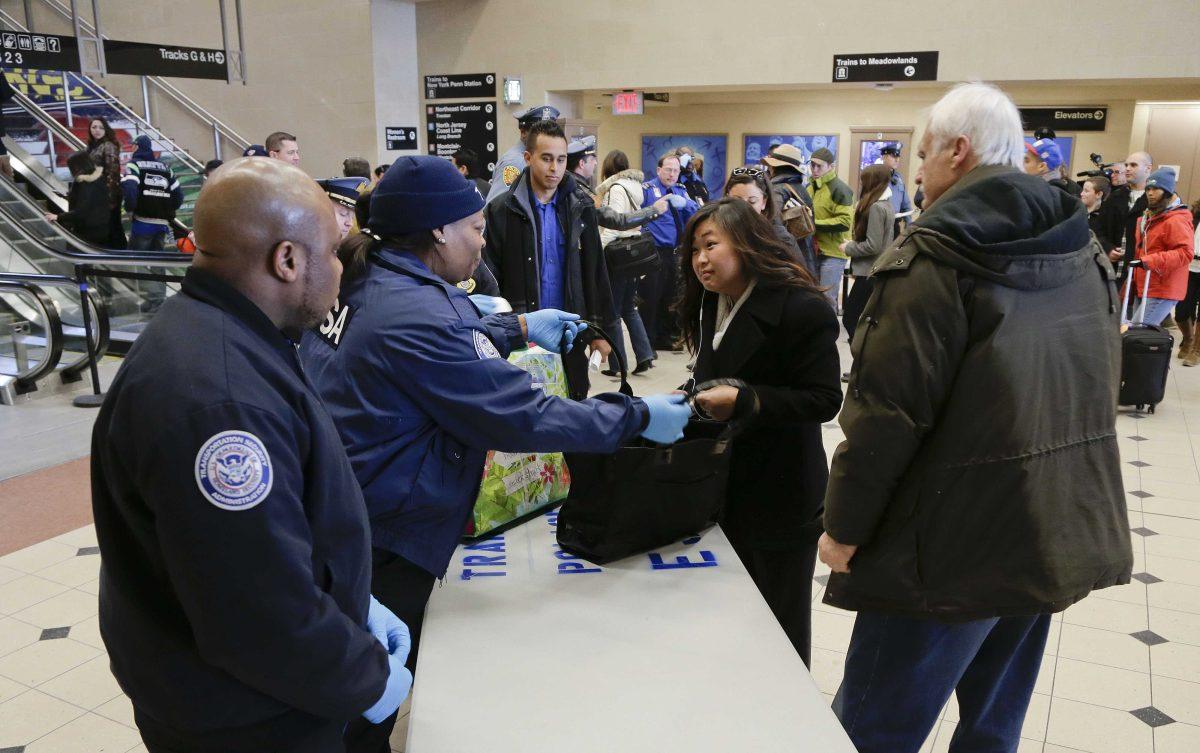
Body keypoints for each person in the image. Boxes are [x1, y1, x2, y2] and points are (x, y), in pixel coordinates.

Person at [300, 155, 691, 753]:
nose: (482, 247)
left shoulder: (366, 277)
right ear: (437, 231)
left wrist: (517, 328)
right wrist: (635, 415)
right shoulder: (417, 312)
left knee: (359, 683)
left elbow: (431, 357)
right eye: (477, 229)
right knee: (365, 704)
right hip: (388, 531)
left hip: (352, 504)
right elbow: (520, 414)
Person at [818, 82, 1131, 753]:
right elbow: (1101, 378)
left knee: (872, 730)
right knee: (993, 729)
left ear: (958, 152)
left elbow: (885, 416)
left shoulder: (933, 258)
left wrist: (843, 529)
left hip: (944, 549)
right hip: (1045, 528)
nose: (918, 174)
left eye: (923, 155)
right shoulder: (1079, 247)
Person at [91, 157, 412, 753]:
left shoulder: (230, 334)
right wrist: (365, 680)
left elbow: (250, 543)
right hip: (248, 715)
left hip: (242, 690)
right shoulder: (222, 401)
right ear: (287, 260)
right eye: (335, 253)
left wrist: (350, 599)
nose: (342, 270)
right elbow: (256, 611)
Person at [678, 197, 842, 667]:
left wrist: (747, 399)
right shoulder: (714, 300)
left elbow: (825, 399)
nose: (701, 260)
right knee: (733, 614)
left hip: (782, 491)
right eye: (694, 250)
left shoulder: (801, 308)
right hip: (727, 485)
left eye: (711, 245)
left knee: (780, 622)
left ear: (748, 244)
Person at [483, 120, 615, 399]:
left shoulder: (582, 207)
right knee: (524, 415)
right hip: (522, 332)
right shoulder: (500, 211)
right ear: (528, 158)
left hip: (570, 331)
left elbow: (595, 271)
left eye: (561, 159)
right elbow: (490, 278)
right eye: (546, 159)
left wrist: (600, 332)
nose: (554, 168)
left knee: (572, 407)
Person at [595, 149, 665, 376]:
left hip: (618, 254)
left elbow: (614, 224)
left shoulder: (615, 188)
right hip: (635, 252)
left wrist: (598, 248)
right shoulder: (636, 187)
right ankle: (644, 355)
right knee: (629, 308)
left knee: (613, 312)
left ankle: (618, 364)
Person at [639, 152, 700, 350]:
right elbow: (638, 215)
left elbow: (696, 211)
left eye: (675, 170)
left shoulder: (680, 191)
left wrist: (685, 203)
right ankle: (647, 339)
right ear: (659, 170)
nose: (672, 174)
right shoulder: (647, 189)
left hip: (674, 252)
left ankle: (664, 338)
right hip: (653, 251)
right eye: (668, 170)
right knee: (650, 297)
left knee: (670, 296)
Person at [838, 164, 895, 348]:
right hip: (874, 271)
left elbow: (873, 245)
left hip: (869, 272)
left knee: (851, 318)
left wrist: (849, 247)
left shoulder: (877, 207)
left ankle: (861, 364)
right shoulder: (885, 204)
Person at [1128, 168, 1193, 327]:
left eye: (1156, 189)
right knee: (1136, 336)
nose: (1150, 193)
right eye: (1148, 189)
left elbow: (1185, 253)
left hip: (1162, 288)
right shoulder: (1148, 218)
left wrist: (1149, 261)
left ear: (1168, 191)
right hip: (1145, 286)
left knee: (1137, 335)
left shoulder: (1176, 219)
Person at [571, 136, 667, 230]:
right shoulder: (575, 189)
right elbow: (616, 221)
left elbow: (615, 223)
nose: (596, 163)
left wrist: (652, 210)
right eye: (592, 159)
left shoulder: (581, 186)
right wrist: (652, 210)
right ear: (582, 164)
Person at [724, 166, 803, 263]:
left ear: (764, 202)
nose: (743, 207)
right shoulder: (718, 231)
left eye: (752, 202)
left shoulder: (780, 239)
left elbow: (800, 276)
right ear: (727, 198)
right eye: (736, 200)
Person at [807, 147, 853, 308]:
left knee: (827, 300)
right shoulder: (810, 187)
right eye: (812, 165)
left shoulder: (840, 189)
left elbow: (845, 222)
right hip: (813, 251)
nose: (815, 169)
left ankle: (828, 333)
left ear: (830, 166)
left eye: (819, 166)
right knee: (811, 299)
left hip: (833, 253)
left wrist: (813, 224)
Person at [763, 144, 817, 275]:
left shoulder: (778, 190)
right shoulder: (799, 188)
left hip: (787, 260)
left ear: (775, 167)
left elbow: (772, 223)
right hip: (805, 255)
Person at [487, 104, 560, 202]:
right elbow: (495, 206)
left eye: (550, 132)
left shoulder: (545, 160)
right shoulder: (515, 163)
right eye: (539, 133)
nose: (546, 138)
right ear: (523, 132)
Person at [46, 151, 110, 247]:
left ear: (76, 166)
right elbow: (94, 201)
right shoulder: (100, 177)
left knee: (82, 257)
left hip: (87, 229)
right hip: (103, 226)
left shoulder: (83, 181)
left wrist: (58, 217)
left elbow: (83, 210)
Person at [86, 116, 125, 248]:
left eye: (101, 127)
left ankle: (120, 257)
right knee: (108, 228)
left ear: (106, 130)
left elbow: (112, 173)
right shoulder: (92, 146)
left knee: (113, 228)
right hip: (98, 193)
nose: (97, 130)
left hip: (108, 194)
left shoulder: (108, 145)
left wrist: (109, 198)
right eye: (94, 127)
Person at [1179, 199, 1200, 366]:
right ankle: (1188, 339)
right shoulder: (1193, 214)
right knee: (1182, 310)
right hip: (1189, 267)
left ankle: (1196, 351)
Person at [879, 143, 912, 233]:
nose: (897, 160)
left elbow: (906, 204)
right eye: (893, 156)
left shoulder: (898, 178)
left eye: (898, 157)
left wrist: (909, 223)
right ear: (883, 157)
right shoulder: (875, 177)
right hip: (879, 224)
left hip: (894, 225)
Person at [1081, 175, 1117, 251]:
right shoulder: (1076, 212)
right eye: (1082, 190)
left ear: (1099, 194)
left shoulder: (1108, 216)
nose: (1081, 194)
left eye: (1086, 191)